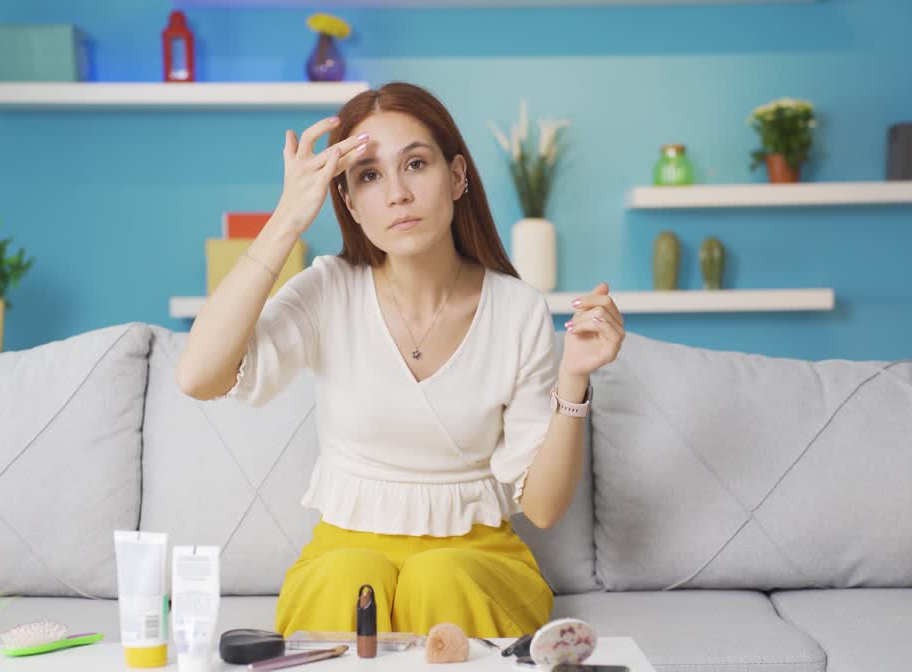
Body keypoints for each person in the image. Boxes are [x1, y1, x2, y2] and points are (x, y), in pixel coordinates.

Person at [175, 82, 625, 639]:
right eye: (368, 175)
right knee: (347, 579)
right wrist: (287, 219)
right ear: (348, 202)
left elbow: (545, 507)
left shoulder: (517, 308)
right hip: (344, 549)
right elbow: (197, 376)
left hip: (477, 557)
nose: (397, 193)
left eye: (415, 164)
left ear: (457, 176)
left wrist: (574, 376)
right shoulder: (329, 289)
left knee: (439, 577)